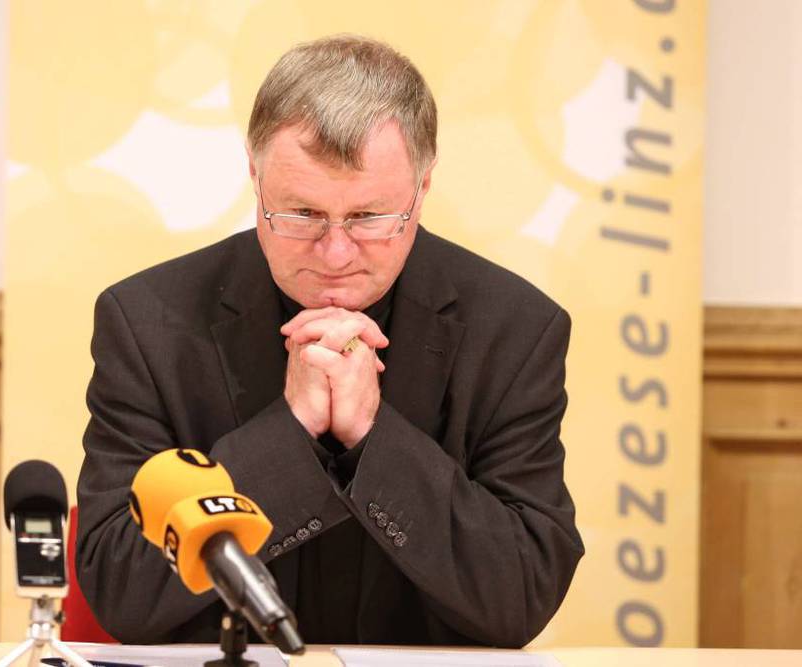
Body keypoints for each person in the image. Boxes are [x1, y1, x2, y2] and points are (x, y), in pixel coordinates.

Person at [76, 34, 583, 648]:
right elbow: (120, 590)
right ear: (255, 176)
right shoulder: (147, 323)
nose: (336, 254)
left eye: (369, 217)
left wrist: (373, 433)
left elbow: (520, 595)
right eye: (303, 214)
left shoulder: (514, 330)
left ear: (422, 189)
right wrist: (289, 429)